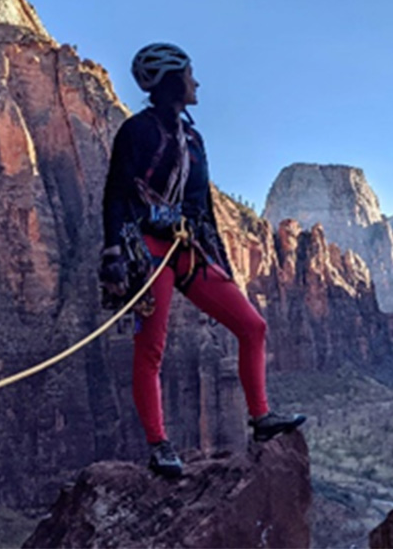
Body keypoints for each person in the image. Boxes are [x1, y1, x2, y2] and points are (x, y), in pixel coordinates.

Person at [100, 42, 305, 479]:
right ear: (172, 79)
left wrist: (224, 267)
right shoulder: (135, 131)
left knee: (253, 326)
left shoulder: (194, 139)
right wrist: (113, 252)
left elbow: (203, 206)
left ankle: (262, 419)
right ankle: (159, 446)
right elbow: (115, 194)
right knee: (150, 348)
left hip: (188, 249)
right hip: (148, 251)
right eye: (190, 75)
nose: (197, 83)